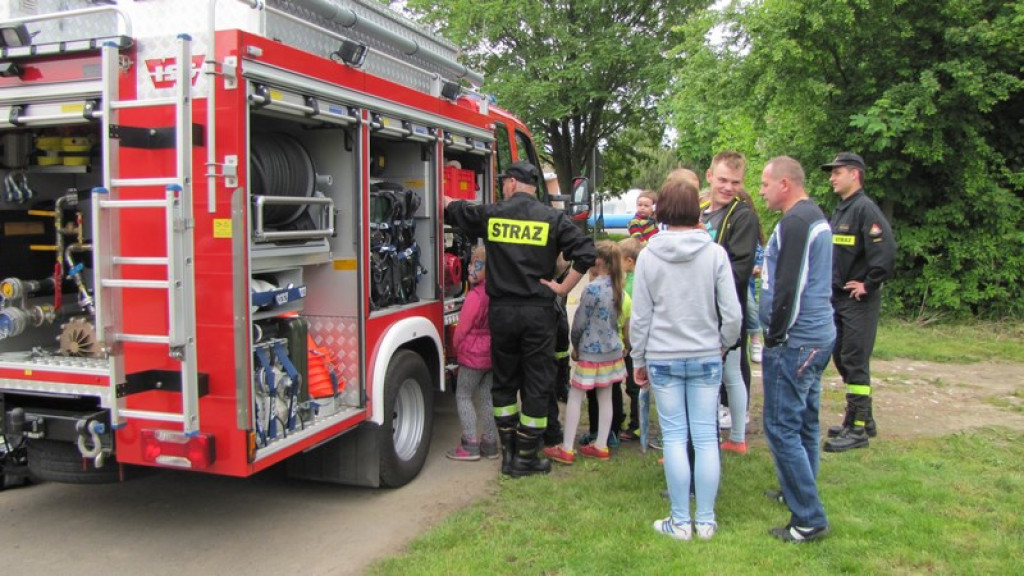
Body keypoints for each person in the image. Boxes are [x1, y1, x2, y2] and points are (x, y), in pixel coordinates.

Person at [444, 161, 597, 478]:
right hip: (537, 313)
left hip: (502, 312)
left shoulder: (493, 215)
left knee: (504, 383)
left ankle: (509, 455)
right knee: (537, 382)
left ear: (513, 183)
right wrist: (562, 288)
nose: (502, 187)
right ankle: (527, 457)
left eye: (503, 182)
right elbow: (586, 252)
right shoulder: (553, 218)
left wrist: (438, 195)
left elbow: (455, 210)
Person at [631, 179, 741, 541]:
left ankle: (680, 522)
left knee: (676, 437)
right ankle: (705, 521)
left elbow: (641, 317)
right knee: (706, 436)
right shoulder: (715, 254)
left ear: (660, 211)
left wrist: (638, 359)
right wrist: (723, 344)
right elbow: (733, 315)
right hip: (706, 356)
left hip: (663, 357)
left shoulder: (648, 255)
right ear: (697, 211)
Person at [758, 156, 835, 542]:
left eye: (765, 184)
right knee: (804, 421)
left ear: (785, 184)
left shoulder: (797, 222)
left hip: (797, 341)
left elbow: (791, 286)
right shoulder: (811, 217)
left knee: (780, 427)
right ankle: (797, 491)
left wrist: (774, 336)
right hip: (815, 337)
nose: (761, 191)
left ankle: (808, 517)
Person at [820, 152, 896, 453]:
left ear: (854, 174)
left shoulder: (865, 209)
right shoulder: (842, 210)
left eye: (837, 172)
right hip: (838, 297)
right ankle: (860, 415)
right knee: (842, 356)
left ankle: (859, 429)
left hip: (857, 300)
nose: (831, 177)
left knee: (854, 359)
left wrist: (869, 283)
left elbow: (885, 252)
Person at [545, 241, 628, 463]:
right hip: (612, 350)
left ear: (599, 261)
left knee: (575, 395)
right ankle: (601, 444)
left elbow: (580, 321)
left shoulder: (592, 288)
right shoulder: (617, 284)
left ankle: (567, 447)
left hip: (591, 351)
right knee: (606, 396)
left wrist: (575, 343)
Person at [700, 152, 761, 453]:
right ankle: (731, 434)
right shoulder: (699, 209)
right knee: (725, 370)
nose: (728, 187)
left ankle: (734, 433)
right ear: (710, 177)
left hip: (724, 308)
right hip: (700, 308)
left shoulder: (743, 216)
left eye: (735, 182)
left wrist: (703, 283)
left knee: (729, 370)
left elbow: (740, 269)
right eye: (722, 180)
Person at [447, 246, 499, 461]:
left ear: (486, 267)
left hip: (472, 355)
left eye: (474, 262)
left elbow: (462, 329)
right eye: (470, 262)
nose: (469, 266)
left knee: (464, 395)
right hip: (491, 354)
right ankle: (490, 442)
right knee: (487, 397)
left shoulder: (475, 296)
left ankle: (469, 443)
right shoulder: (495, 293)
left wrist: (456, 347)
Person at [618, 237, 645, 441]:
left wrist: (627, 343)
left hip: (632, 341)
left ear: (628, 261)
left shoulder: (630, 283)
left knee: (634, 385)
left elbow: (628, 316)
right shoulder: (642, 278)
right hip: (639, 339)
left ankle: (637, 425)